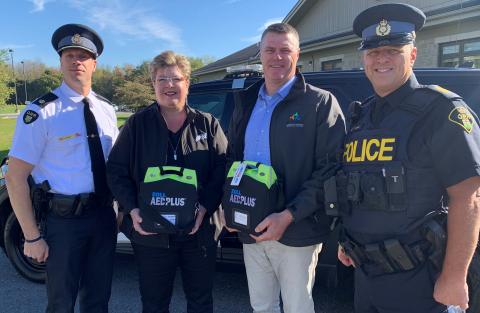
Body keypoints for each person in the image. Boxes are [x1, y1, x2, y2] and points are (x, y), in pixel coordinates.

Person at [336, 3, 480, 313]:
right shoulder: (362, 118)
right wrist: (347, 240)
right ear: (364, 59)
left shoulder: (440, 111)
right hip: (365, 276)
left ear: (412, 55)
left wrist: (455, 276)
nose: (381, 59)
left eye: (393, 49)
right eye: (373, 52)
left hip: (419, 280)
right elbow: (356, 188)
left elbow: (469, 198)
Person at [223, 23, 345, 313]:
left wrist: (288, 215)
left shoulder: (320, 103)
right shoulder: (246, 101)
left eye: (285, 50)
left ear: (297, 54)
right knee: (262, 307)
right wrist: (228, 207)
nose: (277, 57)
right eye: (270, 50)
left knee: (297, 308)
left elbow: (331, 170)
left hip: (297, 230)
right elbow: (232, 159)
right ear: (260, 55)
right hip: (250, 227)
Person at [5, 24, 118, 313]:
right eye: (69, 55)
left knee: (98, 300)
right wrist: (31, 236)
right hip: (64, 222)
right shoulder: (41, 112)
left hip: (104, 218)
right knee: (60, 303)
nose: (76, 61)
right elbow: (15, 176)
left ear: (94, 64)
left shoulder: (106, 110)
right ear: (60, 61)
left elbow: (114, 167)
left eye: (83, 56)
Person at [106, 50, 227, 313]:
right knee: (154, 304)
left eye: (176, 79)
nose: (169, 85)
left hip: (199, 233)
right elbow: (115, 171)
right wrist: (132, 209)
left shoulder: (207, 124)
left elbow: (223, 170)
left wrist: (205, 207)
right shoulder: (137, 125)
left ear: (187, 83)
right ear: (153, 84)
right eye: (162, 79)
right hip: (151, 236)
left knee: (201, 302)